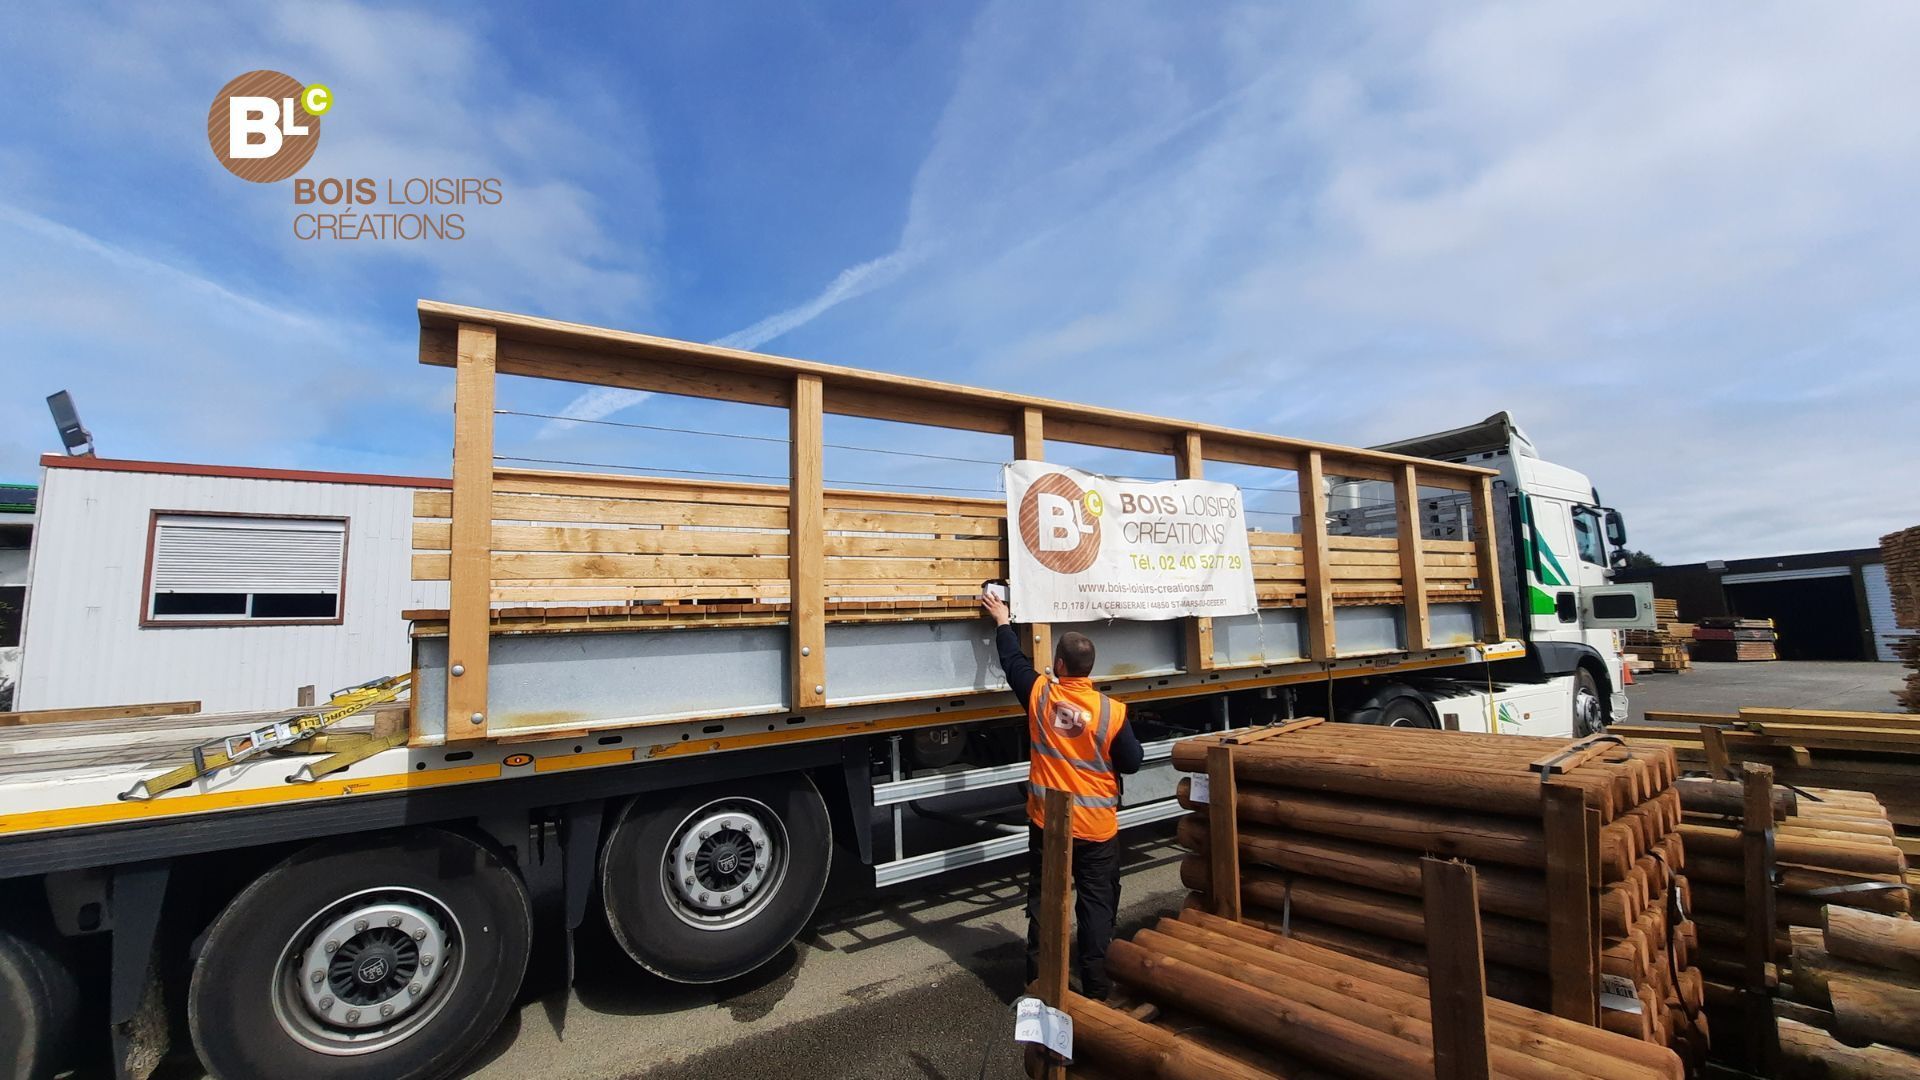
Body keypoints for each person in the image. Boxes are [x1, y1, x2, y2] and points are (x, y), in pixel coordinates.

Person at [980, 589, 1142, 1000]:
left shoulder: (1040, 696)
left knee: (1044, 905)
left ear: (1059, 665)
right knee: (1097, 910)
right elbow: (1133, 762)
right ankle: (1096, 992)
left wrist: (1002, 620)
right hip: (1098, 831)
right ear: (1089, 668)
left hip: (1050, 825)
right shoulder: (1112, 712)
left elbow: (1012, 662)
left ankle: (1038, 987)